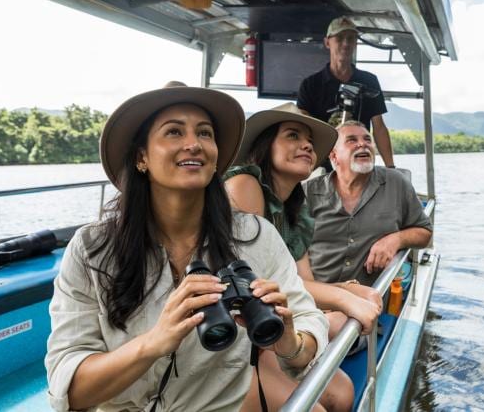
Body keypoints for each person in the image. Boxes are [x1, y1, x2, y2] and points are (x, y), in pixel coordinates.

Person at [45, 82, 328, 412]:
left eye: (205, 134)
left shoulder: (255, 238)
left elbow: (309, 323)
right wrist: (153, 342)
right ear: (141, 157)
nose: (194, 144)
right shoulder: (92, 249)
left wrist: (289, 341)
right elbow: (69, 389)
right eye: (174, 132)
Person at [224, 103, 380, 412]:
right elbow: (254, 288)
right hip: (235, 333)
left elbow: (300, 284)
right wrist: (344, 298)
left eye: (309, 140)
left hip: (269, 329)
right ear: (266, 146)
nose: (306, 145)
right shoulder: (245, 185)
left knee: (343, 393)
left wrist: (348, 289)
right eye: (292, 136)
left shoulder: (294, 210)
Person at [304, 120, 433, 287]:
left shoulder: (396, 183)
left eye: (367, 140)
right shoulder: (307, 192)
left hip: (370, 298)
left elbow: (425, 232)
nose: (362, 145)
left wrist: (396, 239)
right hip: (316, 297)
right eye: (351, 140)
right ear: (334, 156)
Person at [297, 16, 395, 168]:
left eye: (351, 38)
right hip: (322, 166)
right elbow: (303, 128)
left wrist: (390, 167)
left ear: (356, 43)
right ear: (327, 42)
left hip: (359, 163)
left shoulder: (369, 81)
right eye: (340, 38)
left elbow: (379, 127)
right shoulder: (310, 85)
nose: (346, 43)